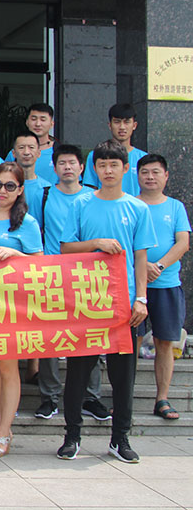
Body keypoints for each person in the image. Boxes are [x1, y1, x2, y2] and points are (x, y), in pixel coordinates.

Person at [58, 140, 155, 463]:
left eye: (114, 165)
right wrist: (96, 243)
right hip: (87, 301)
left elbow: (140, 257)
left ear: (126, 169)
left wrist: (140, 298)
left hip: (123, 303)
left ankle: (120, 438)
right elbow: (66, 247)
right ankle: (72, 436)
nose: (108, 171)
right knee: (78, 373)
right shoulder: (81, 203)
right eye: (102, 165)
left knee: (123, 376)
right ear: (94, 169)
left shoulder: (137, 208)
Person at [0, 163, 43, 458]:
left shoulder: (27, 222)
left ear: (20, 189)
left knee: (8, 366)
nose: (2, 191)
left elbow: (41, 262)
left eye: (10, 186)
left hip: (12, 303)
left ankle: (4, 432)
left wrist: (16, 253)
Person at [33, 144, 106, 421]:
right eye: (62, 163)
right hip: (52, 274)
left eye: (72, 163)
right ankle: (49, 397)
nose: (67, 167)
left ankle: (91, 396)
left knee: (91, 335)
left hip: (87, 275)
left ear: (82, 167)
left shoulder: (93, 196)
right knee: (50, 338)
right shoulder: (44, 195)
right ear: (54, 168)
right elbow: (34, 229)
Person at [136, 154, 190, 421]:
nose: (150, 177)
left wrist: (158, 266)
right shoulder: (130, 204)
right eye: (145, 172)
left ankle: (162, 398)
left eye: (155, 172)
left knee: (165, 342)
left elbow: (183, 243)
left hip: (167, 283)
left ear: (166, 176)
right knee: (129, 342)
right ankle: (124, 398)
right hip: (134, 284)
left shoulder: (175, 207)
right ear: (137, 175)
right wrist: (142, 266)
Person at [83, 103, 147, 196]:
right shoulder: (95, 155)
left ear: (134, 125)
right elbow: (90, 189)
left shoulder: (143, 158)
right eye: (117, 122)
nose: (122, 127)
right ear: (110, 125)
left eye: (127, 122)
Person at [4, 103, 58, 184]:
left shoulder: (59, 152)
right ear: (27, 122)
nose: (38, 124)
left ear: (51, 124)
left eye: (43, 120)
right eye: (33, 119)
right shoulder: (15, 153)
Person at [10, 131, 53, 226]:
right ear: (14, 153)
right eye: (21, 147)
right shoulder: (5, 186)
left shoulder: (47, 188)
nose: (26, 152)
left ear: (39, 153)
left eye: (31, 147)